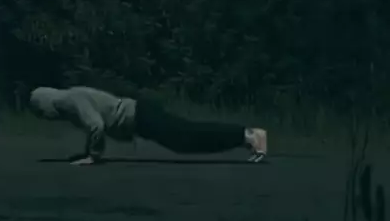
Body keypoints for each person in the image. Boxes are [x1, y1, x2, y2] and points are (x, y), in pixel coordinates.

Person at [29, 85, 268, 165]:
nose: (45, 118)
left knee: (186, 137)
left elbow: (96, 126)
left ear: (44, 105)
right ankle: (245, 138)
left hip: (140, 116)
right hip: (140, 116)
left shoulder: (68, 100)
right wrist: (88, 152)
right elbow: (94, 122)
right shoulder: (70, 98)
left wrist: (93, 156)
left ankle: (248, 135)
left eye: (41, 113)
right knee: (184, 139)